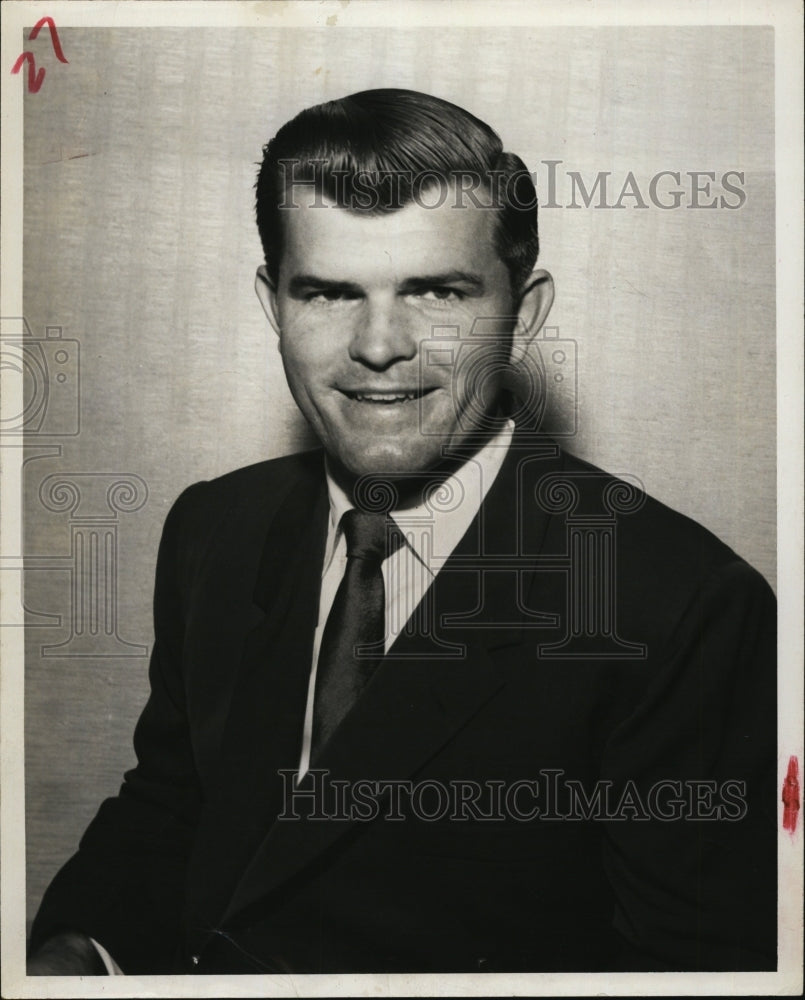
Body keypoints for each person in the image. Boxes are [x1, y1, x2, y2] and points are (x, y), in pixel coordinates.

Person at [28, 88, 776, 975]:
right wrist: (78, 945)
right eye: (329, 293)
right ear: (274, 304)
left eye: (435, 291)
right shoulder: (214, 527)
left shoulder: (678, 605)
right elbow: (178, 804)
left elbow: (692, 970)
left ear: (523, 314)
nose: (379, 344)